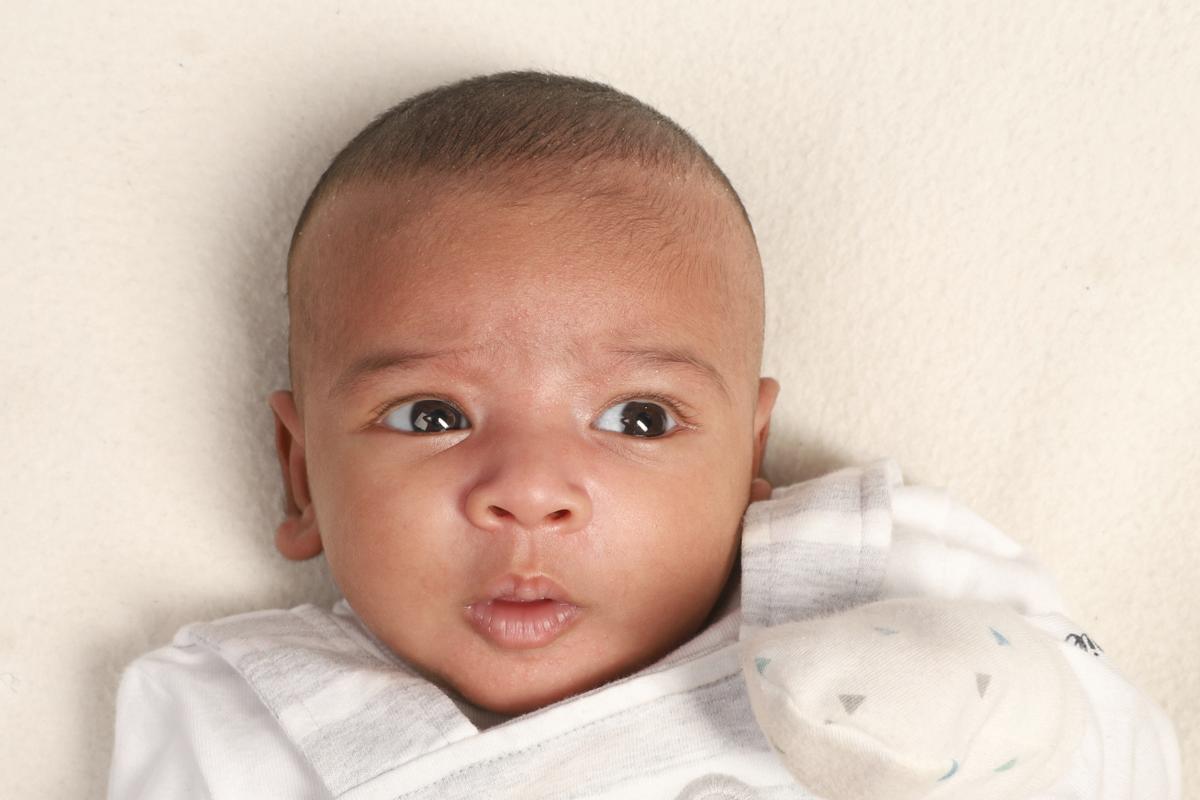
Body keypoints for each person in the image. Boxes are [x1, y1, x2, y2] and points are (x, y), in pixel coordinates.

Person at [107, 71, 1181, 799]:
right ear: (301, 475)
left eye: (639, 418)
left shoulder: (864, 571)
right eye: (433, 415)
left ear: (749, 459)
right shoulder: (240, 712)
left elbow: (1131, 752)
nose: (531, 490)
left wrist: (992, 705)